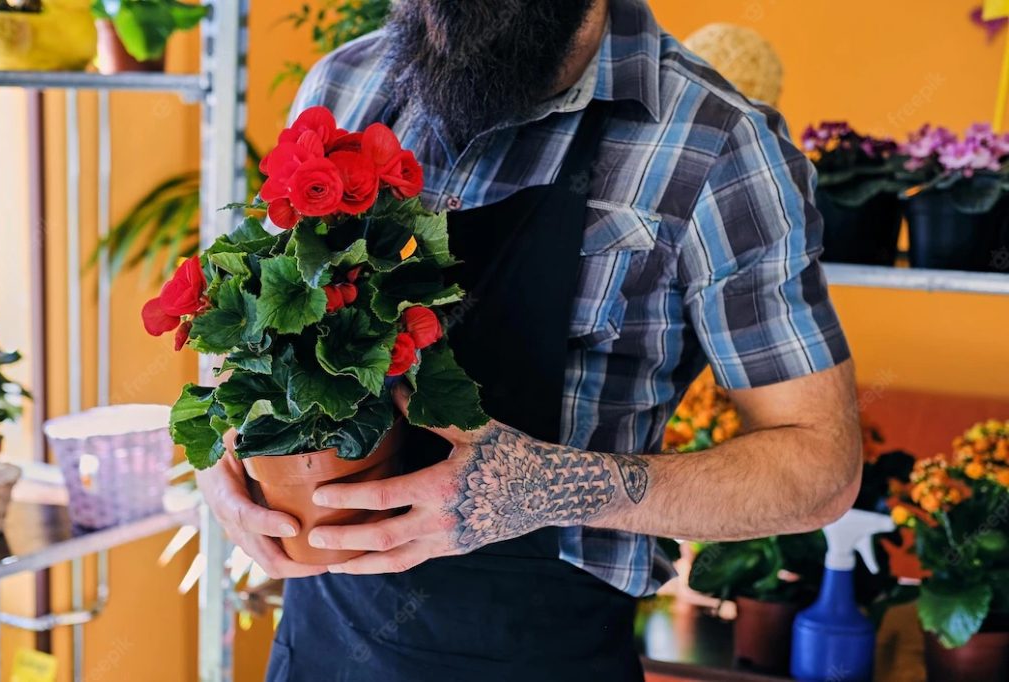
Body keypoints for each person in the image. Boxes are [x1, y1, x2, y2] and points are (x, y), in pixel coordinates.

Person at [197, 1, 863, 680]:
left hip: (540, 652)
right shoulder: (347, 83)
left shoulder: (718, 144)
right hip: (321, 648)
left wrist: (554, 488)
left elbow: (820, 469)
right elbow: (262, 334)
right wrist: (222, 468)